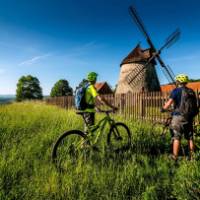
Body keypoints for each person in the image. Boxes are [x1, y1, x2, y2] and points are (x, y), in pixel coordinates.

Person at [161, 74, 198, 161]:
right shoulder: (191, 91)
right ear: (186, 82)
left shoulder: (176, 91)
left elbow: (168, 103)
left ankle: (175, 157)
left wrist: (163, 109)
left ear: (178, 82)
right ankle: (192, 157)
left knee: (177, 137)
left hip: (178, 117)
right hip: (189, 117)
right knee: (190, 137)